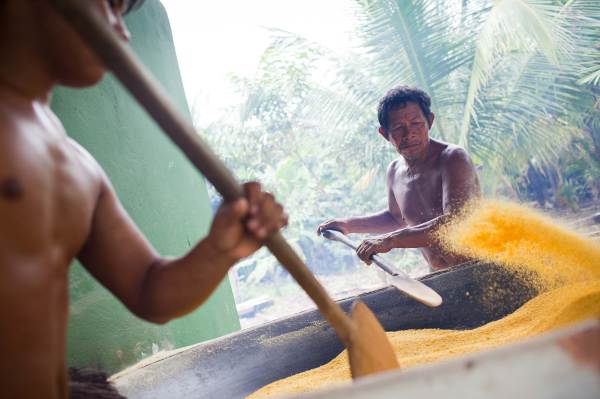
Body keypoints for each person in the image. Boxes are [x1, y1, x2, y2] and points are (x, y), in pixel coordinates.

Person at [0, 1, 287, 397]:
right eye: (111, 6)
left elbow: (150, 289)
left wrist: (220, 250)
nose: (123, 30)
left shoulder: (77, 164)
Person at [317, 85, 481, 271]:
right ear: (385, 134)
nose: (409, 133)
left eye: (416, 123)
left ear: (430, 121)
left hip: (480, 269)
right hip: (442, 277)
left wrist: (390, 241)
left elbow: (455, 222)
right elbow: (396, 218)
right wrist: (349, 225)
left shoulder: (453, 158)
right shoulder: (394, 170)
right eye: (398, 127)